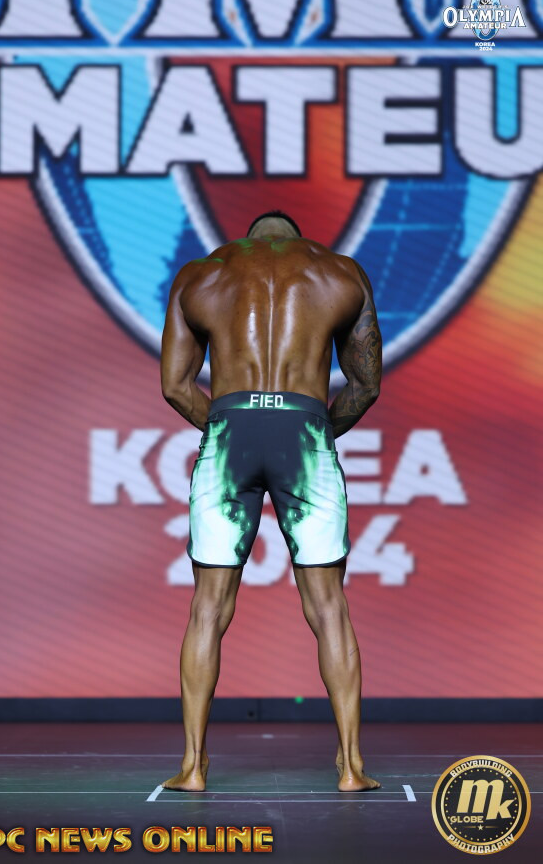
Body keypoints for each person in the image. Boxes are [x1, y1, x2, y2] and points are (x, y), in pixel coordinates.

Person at [160, 210, 382, 792]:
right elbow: (366, 384)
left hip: (230, 428)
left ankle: (192, 767)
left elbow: (175, 385)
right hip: (304, 428)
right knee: (329, 607)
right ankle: (352, 768)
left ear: (250, 237)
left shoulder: (201, 274)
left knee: (208, 608)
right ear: (295, 237)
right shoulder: (338, 272)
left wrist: (233, 426)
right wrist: (312, 430)